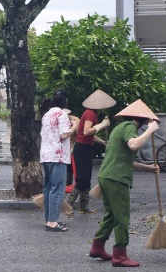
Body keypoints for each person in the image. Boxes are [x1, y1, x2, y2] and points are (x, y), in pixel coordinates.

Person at [88, 99, 160, 267]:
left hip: (107, 175)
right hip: (116, 178)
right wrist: (150, 130)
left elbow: (123, 159)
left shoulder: (118, 128)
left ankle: (97, 248)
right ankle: (120, 255)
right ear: (140, 118)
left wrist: (148, 168)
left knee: (112, 215)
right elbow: (134, 145)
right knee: (122, 217)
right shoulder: (130, 127)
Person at [66, 88, 114, 214]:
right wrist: (102, 125)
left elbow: (88, 135)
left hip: (85, 147)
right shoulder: (90, 114)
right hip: (81, 149)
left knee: (86, 178)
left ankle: (84, 205)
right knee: (82, 179)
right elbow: (87, 131)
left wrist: (103, 142)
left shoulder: (90, 113)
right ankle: (68, 203)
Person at [40, 89, 74, 231]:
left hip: (45, 156)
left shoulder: (46, 115)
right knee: (58, 188)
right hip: (58, 156)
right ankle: (53, 222)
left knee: (48, 188)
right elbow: (64, 135)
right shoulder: (62, 115)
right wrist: (75, 126)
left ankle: (49, 219)